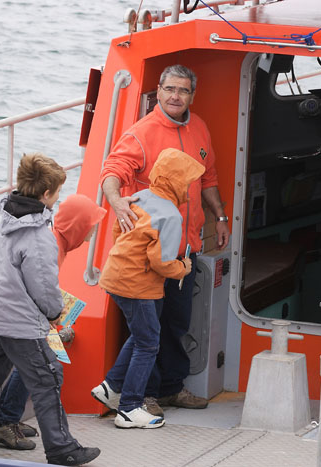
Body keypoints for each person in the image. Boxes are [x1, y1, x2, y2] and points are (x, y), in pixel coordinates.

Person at [99, 64, 229, 417]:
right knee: (148, 328)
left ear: (191, 95)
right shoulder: (141, 132)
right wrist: (115, 200)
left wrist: (219, 217)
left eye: (183, 91)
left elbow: (210, 176)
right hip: (149, 256)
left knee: (177, 322)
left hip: (186, 250)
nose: (175, 96)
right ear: (158, 90)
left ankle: (172, 387)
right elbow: (112, 172)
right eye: (170, 89)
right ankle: (145, 394)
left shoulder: (200, 127)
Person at [0, 152, 101, 466]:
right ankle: (62, 449)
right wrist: (55, 314)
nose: (57, 200)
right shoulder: (37, 236)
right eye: (57, 194)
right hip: (18, 321)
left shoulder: (6, 219)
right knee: (48, 376)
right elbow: (45, 290)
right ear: (46, 195)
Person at [92, 148, 204, 428]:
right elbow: (161, 262)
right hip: (138, 285)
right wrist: (184, 268)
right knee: (149, 343)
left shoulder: (139, 197)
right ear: (177, 183)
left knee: (141, 334)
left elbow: (120, 231)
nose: (189, 190)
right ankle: (129, 407)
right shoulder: (170, 216)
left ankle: (111, 387)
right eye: (187, 183)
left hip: (116, 276)